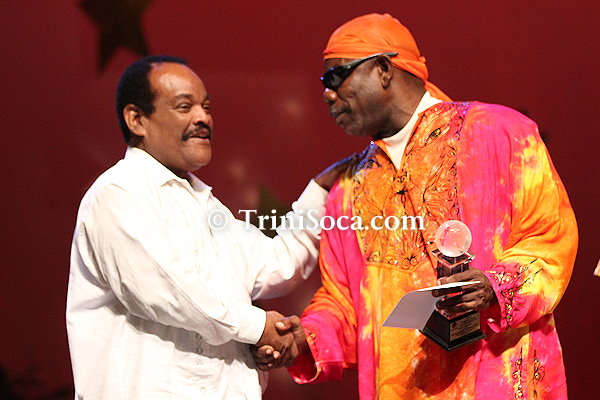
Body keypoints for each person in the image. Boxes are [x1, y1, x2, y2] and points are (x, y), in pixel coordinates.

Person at [253, 13, 578, 399]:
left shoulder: (501, 133)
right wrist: (304, 340)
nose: (327, 94)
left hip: (497, 379)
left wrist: (496, 286)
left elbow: (549, 238)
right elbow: (342, 302)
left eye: (336, 77)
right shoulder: (346, 189)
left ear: (382, 69)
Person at [66, 55, 350, 400]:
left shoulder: (207, 206)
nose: (203, 117)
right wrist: (260, 328)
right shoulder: (118, 193)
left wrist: (321, 190)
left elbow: (278, 262)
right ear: (137, 119)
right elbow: (171, 292)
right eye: (184, 106)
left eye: (207, 107)